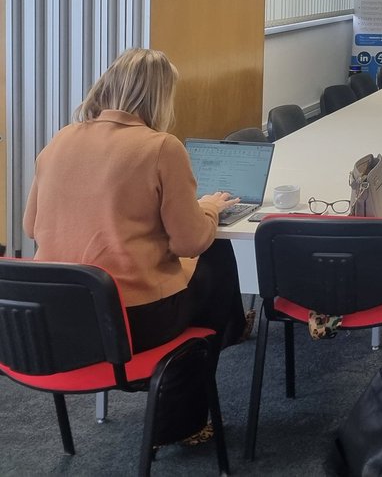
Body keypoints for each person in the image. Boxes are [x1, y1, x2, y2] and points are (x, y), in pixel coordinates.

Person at [23, 48, 247, 353]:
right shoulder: (161, 147)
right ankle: (201, 363)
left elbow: (31, 228)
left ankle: (210, 350)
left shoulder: (60, 139)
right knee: (217, 253)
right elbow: (189, 243)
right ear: (161, 97)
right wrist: (208, 208)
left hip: (58, 313)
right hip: (131, 318)